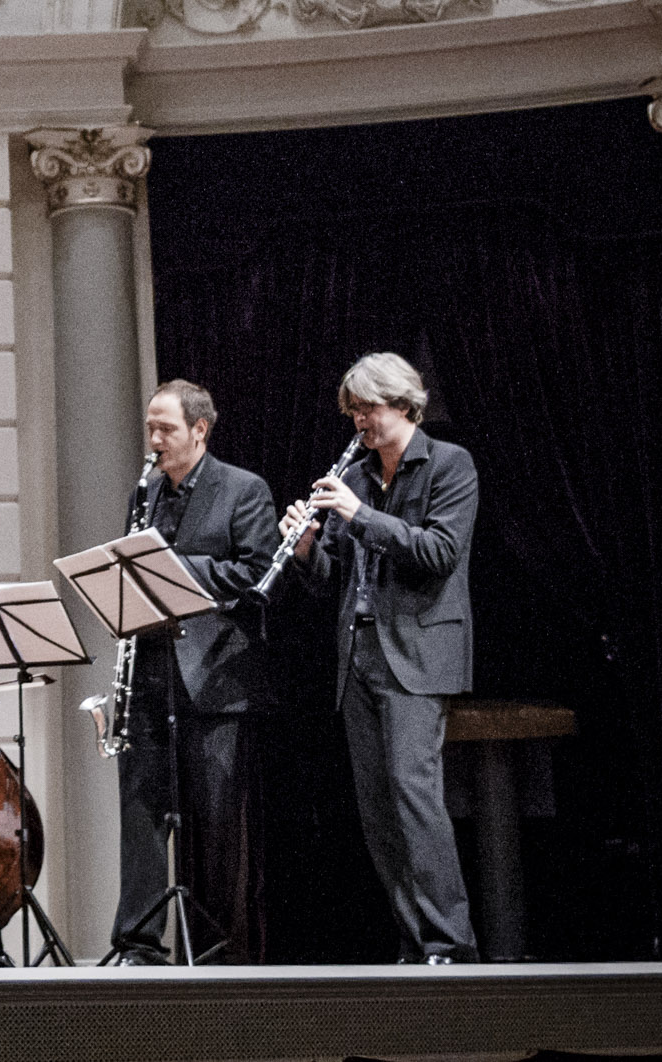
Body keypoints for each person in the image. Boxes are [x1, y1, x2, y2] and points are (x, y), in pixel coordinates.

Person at [285, 351, 480, 963]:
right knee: (376, 810)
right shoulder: (361, 476)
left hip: (417, 654)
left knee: (413, 797)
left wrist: (359, 515)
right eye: (352, 412)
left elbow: (439, 553)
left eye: (367, 408)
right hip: (359, 654)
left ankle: (451, 943)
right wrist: (307, 550)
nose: (359, 422)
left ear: (402, 403)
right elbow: (336, 579)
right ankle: (415, 943)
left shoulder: (449, 464)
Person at [110, 378, 280, 964]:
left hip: (215, 680)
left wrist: (177, 569)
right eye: (150, 428)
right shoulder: (145, 494)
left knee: (214, 821)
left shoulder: (244, 489)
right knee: (140, 812)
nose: (154, 440)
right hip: (150, 673)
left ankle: (215, 948)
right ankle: (138, 943)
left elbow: (258, 575)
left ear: (200, 430)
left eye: (166, 429)